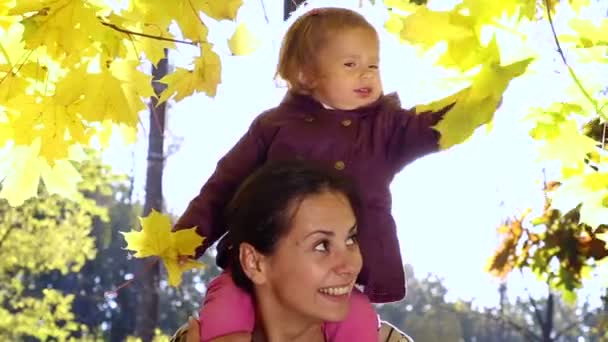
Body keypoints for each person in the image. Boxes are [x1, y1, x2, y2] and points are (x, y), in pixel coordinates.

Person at [173, 6, 480, 342]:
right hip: (251, 276)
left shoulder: (387, 128)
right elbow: (223, 187)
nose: (366, 75)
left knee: (359, 322)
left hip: (340, 288)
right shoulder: (273, 127)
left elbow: (433, 125)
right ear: (306, 74)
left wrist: (479, 99)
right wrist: (187, 237)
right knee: (224, 318)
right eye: (351, 65)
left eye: (373, 65)